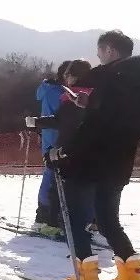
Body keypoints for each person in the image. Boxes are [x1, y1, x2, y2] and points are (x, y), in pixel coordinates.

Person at [44, 31, 140, 280]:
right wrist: (90, 103)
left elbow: (95, 125)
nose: (98, 57)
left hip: (89, 158)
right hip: (119, 160)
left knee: (75, 219)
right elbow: (115, 115)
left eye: (100, 52)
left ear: (109, 50)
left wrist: (63, 151)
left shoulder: (110, 77)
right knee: (109, 221)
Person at [31, 60, 91, 236]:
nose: (67, 78)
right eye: (66, 74)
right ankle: (46, 218)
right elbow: (63, 118)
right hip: (59, 140)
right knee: (54, 178)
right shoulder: (61, 93)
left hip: (59, 139)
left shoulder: (58, 90)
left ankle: (53, 218)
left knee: (56, 179)